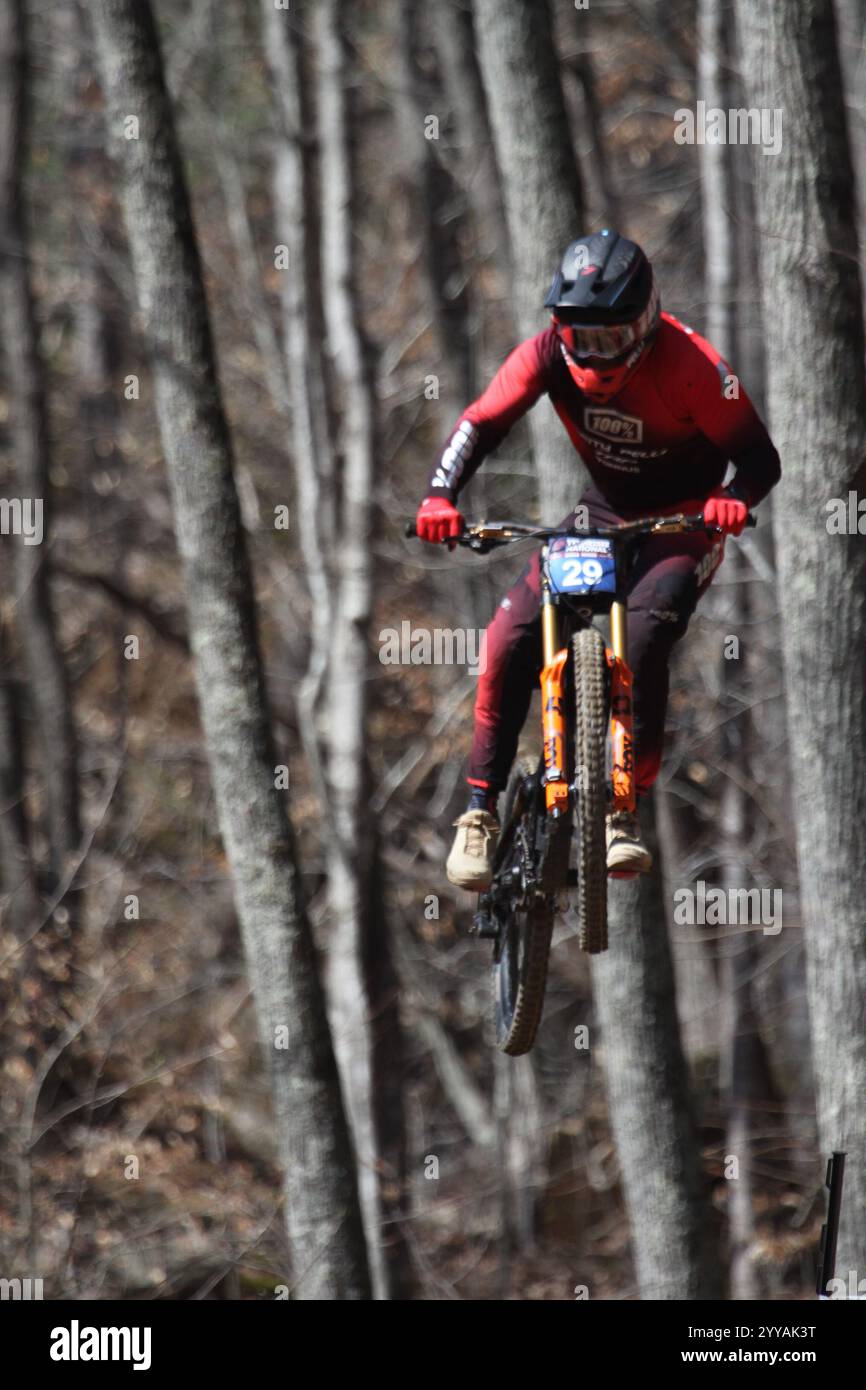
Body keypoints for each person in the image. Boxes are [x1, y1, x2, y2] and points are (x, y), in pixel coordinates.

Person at [414, 229, 781, 890]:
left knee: (641, 640)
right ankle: (478, 814)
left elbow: (760, 460)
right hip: (604, 510)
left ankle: (621, 811)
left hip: (684, 520)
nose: (594, 353)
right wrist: (441, 494)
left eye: (611, 337)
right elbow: (481, 421)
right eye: (580, 335)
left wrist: (729, 500)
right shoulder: (545, 355)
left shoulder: (692, 365)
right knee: (505, 640)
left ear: (644, 323)